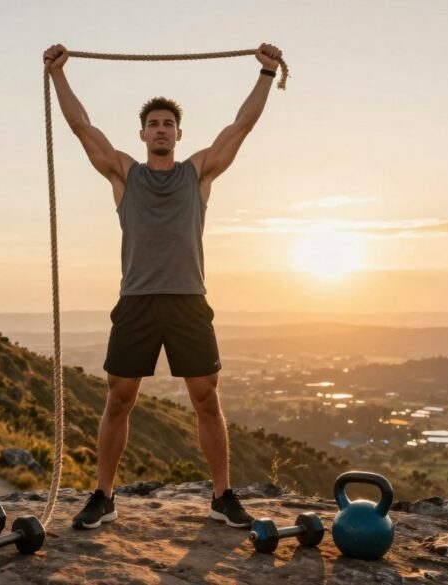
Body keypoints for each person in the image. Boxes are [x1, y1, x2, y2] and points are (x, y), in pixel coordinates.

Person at [43, 42, 283, 530]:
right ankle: (104, 496)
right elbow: (82, 127)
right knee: (119, 398)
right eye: (153, 124)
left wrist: (265, 73)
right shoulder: (124, 174)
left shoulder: (197, 173)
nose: (160, 130)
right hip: (136, 301)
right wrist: (58, 74)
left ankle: (222, 496)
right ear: (142, 133)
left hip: (189, 301)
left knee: (206, 398)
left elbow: (241, 126)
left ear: (178, 134)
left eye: (168, 124)